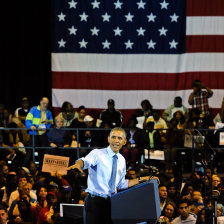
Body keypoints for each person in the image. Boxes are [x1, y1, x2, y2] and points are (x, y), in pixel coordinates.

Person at [68, 127, 152, 224]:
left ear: (124, 142)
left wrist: (143, 179)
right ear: (108, 139)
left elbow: (121, 184)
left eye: (119, 138)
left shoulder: (121, 160)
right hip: (95, 202)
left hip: (113, 203)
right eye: (113, 137)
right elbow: (86, 161)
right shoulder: (97, 153)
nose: (116, 140)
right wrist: (79, 163)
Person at [25, 97, 53, 167]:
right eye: (44, 103)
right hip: (34, 133)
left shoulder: (48, 112)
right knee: (30, 151)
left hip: (43, 134)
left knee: (43, 152)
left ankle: (42, 168)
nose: (45, 105)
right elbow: (27, 120)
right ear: (40, 102)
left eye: (47, 104)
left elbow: (52, 122)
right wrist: (31, 126)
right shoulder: (33, 109)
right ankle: (25, 166)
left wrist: (48, 123)